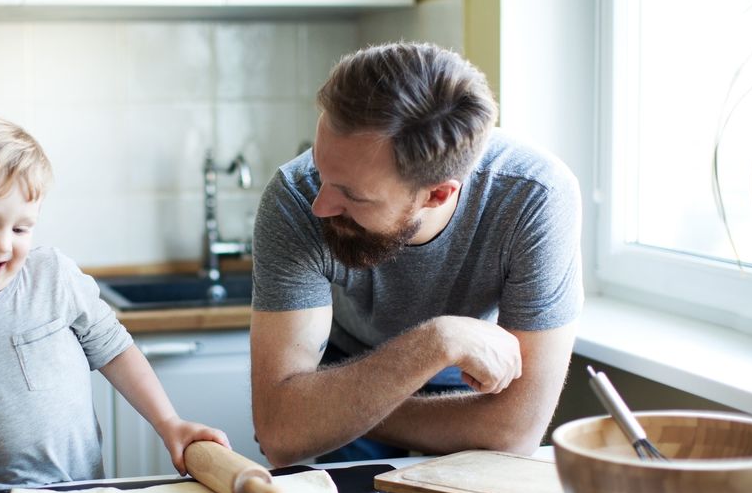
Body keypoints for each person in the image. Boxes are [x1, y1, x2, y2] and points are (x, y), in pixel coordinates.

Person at [249, 42, 583, 467]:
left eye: (352, 195)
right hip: (344, 364)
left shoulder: (537, 196)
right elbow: (281, 432)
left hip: (470, 375)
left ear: (438, 193)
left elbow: (515, 431)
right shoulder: (294, 197)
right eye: (320, 167)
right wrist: (438, 339)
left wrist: (334, 413)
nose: (320, 205)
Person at [0, 113, 228, 491]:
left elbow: (115, 350)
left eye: (20, 228)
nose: (2, 243)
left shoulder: (52, 277)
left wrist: (169, 423)